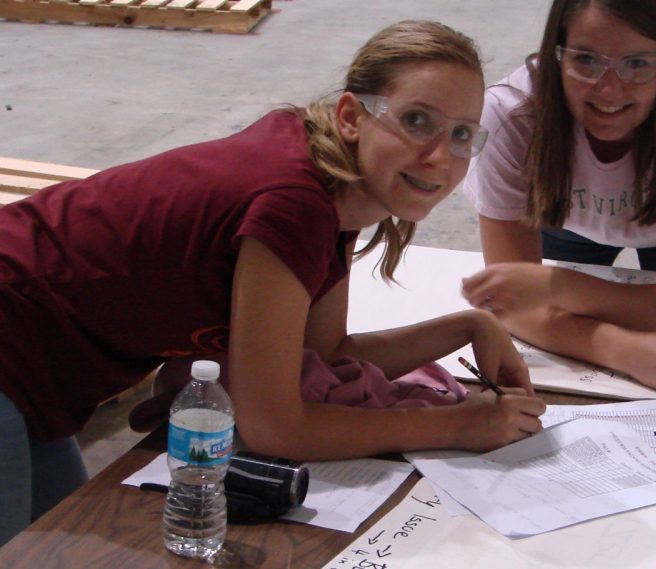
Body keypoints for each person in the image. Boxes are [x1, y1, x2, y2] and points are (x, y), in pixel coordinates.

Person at [0, 20, 546, 546]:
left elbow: (322, 352)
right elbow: (275, 426)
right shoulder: (295, 203)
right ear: (352, 116)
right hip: (13, 339)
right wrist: (455, 427)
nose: (438, 156)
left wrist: (470, 325)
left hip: (40, 373)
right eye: (417, 121)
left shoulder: (339, 187)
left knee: (42, 547)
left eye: (460, 135)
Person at [460, 0, 656, 394]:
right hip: (565, 214)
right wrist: (622, 349)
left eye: (637, 63)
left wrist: (556, 286)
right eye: (585, 59)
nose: (608, 87)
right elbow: (508, 304)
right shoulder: (512, 115)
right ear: (556, 55)